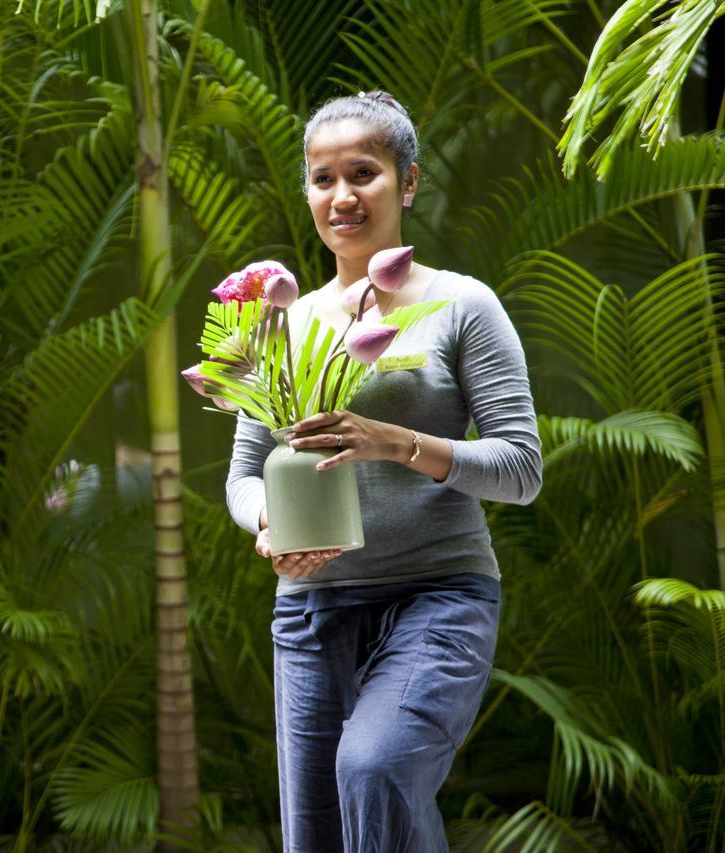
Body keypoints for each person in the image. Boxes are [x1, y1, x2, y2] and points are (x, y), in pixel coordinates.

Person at [225, 90, 542, 852]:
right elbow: (242, 477)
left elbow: (522, 467)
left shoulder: (462, 305)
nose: (341, 196)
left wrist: (396, 442)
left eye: (362, 173)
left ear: (407, 182)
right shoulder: (279, 325)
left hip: (438, 596)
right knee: (320, 835)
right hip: (311, 609)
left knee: (373, 767)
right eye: (321, 178)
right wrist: (267, 526)